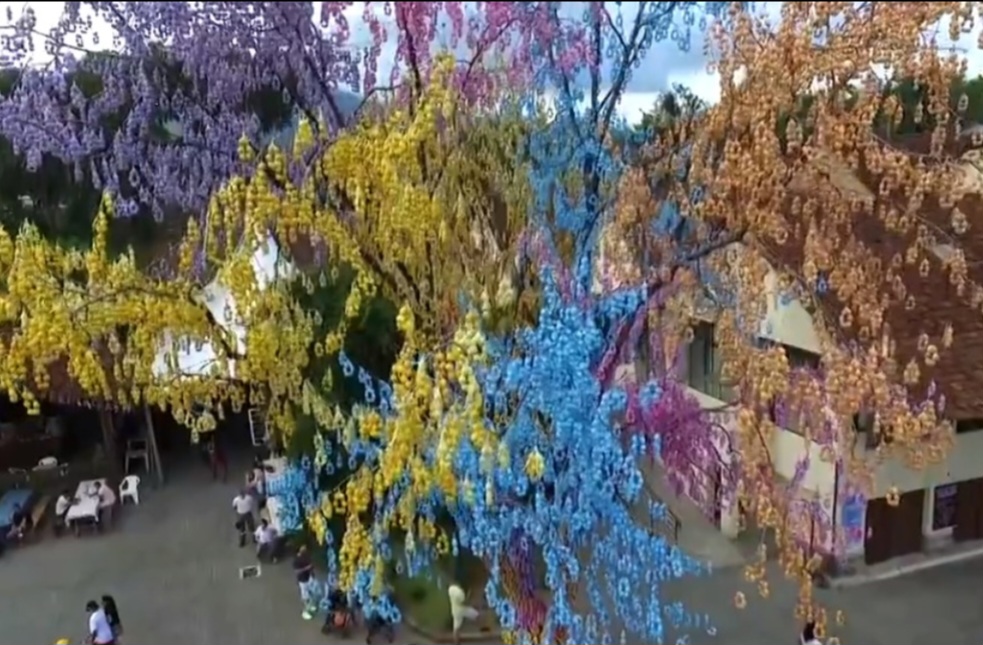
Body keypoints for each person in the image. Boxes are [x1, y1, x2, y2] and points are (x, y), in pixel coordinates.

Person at [292, 545, 317, 620]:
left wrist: (312, 574)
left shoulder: (306, 557)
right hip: (302, 580)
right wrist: (306, 568)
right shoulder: (296, 560)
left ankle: (310, 606)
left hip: (309, 578)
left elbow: (311, 566)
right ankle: (306, 611)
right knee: (305, 596)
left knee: (311, 592)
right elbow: (296, 571)